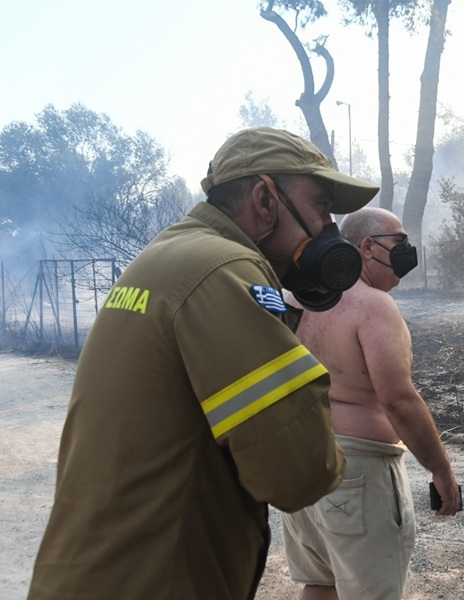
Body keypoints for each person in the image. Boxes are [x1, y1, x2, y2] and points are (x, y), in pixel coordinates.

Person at [28, 127, 380, 599]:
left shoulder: (166, 257)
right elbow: (299, 474)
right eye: (320, 206)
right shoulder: (226, 270)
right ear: (265, 200)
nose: (327, 228)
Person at [282, 206, 461, 600]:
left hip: (301, 462)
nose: (407, 252)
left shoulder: (294, 299)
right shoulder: (373, 306)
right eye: (399, 243)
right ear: (367, 247)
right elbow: (398, 400)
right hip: (357, 474)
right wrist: (441, 469)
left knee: (321, 583)